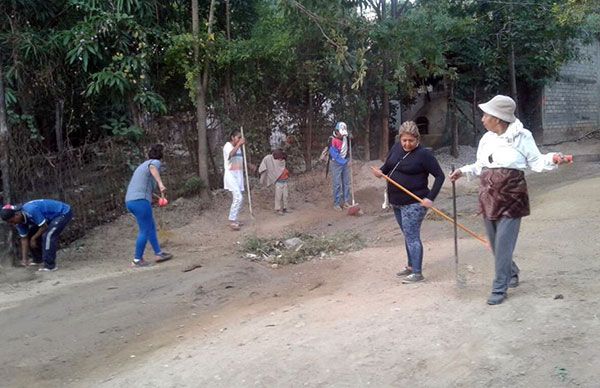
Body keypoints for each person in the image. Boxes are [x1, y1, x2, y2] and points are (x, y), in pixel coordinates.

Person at [449, 95, 571, 305]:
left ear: (498, 118)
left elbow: (536, 162)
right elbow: (480, 166)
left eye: (486, 115)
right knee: (496, 245)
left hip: (513, 196)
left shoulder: (522, 137)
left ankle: (499, 288)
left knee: (504, 245)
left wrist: (554, 158)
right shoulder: (486, 139)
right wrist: (462, 170)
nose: (483, 119)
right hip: (488, 196)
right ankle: (512, 272)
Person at [372, 121, 445, 283]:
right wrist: (380, 172)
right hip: (396, 201)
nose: (407, 144)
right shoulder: (397, 148)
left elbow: (440, 176)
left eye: (410, 141)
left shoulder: (424, 155)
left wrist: (430, 198)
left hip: (415, 202)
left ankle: (417, 273)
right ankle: (411, 266)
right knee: (407, 234)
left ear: (417, 139)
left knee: (412, 235)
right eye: (404, 140)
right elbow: (388, 166)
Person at [125, 144, 173, 267]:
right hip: (139, 201)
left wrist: (157, 197)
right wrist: (161, 184)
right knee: (145, 229)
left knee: (150, 226)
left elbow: (146, 188)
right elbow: (153, 167)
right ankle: (137, 260)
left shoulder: (142, 166)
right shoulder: (154, 163)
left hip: (132, 200)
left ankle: (158, 253)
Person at [0, 199, 73, 271]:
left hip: (62, 212)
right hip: (47, 218)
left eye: (12, 221)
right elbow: (24, 239)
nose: (13, 224)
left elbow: (44, 226)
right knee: (30, 234)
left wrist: (33, 238)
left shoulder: (31, 210)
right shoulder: (19, 222)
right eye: (10, 223)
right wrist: (24, 259)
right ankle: (38, 260)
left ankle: (50, 266)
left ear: (17, 214)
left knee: (48, 235)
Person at [223, 130, 246, 230]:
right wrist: (239, 144)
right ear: (232, 138)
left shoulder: (240, 148)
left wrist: (249, 166)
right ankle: (232, 220)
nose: (240, 139)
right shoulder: (227, 146)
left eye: (241, 138)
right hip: (231, 175)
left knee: (239, 198)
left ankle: (235, 219)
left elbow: (239, 159)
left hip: (238, 175)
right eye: (238, 137)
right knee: (238, 197)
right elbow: (231, 155)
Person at [259, 149, 291, 215]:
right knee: (278, 196)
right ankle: (278, 209)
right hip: (279, 182)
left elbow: (284, 170)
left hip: (285, 181)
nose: (279, 159)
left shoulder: (283, 161)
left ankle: (285, 208)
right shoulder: (273, 162)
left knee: (286, 196)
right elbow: (267, 160)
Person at [329, 122, 351, 211]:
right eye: (341, 133)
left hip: (345, 161)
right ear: (336, 131)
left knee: (346, 182)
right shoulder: (332, 140)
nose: (342, 135)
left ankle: (346, 201)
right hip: (336, 163)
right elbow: (335, 155)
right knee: (337, 184)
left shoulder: (345, 137)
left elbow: (348, 147)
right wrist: (345, 161)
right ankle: (337, 203)